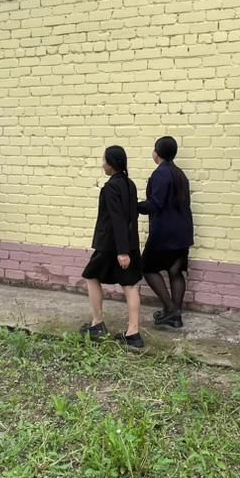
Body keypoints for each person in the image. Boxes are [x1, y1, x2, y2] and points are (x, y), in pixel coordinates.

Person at [80, 146, 144, 351]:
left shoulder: (111, 188)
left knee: (91, 276)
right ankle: (133, 333)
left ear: (112, 164)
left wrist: (122, 252)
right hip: (129, 243)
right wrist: (127, 248)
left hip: (111, 245)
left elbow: (117, 219)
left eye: (104, 161)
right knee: (130, 285)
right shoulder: (130, 184)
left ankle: (97, 324)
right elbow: (131, 215)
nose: (103, 165)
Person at [138, 135, 193, 329]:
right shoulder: (180, 174)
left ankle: (171, 309)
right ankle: (175, 317)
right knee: (175, 272)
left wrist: (134, 206)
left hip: (165, 233)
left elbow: (155, 204)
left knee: (147, 268)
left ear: (157, 153)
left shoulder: (161, 174)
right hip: (183, 231)